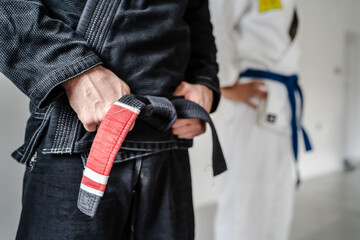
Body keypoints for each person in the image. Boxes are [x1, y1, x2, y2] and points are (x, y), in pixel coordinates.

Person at [0, 0, 224, 239]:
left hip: (168, 136)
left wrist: (203, 79)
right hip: (79, 140)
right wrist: (74, 71)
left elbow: (196, 12)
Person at [210, 0, 311, 239]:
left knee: (278, 194)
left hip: (283, 100)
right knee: (243, 195)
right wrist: (224, 85)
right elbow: (215, 26)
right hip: (252, 99)